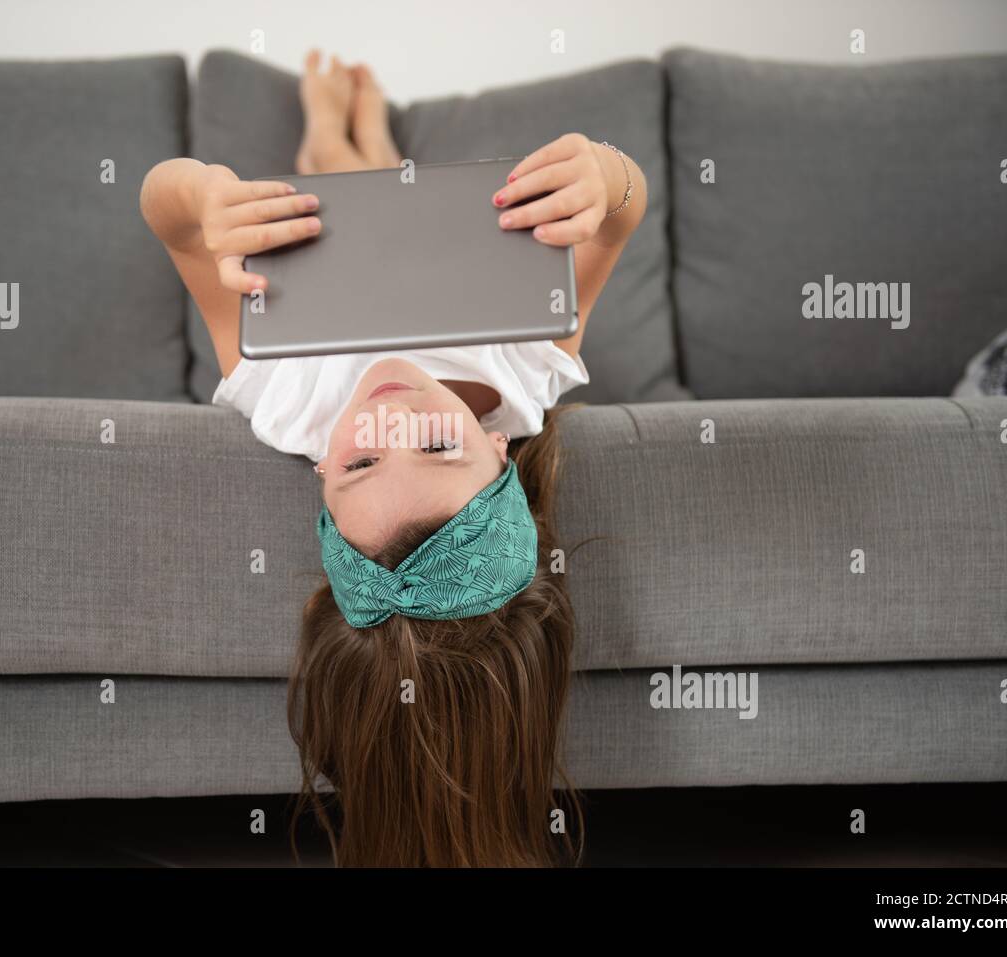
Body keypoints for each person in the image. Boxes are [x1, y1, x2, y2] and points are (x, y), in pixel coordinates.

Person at [140, 50, 648, 866]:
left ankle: (329, 138)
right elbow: (623, 217)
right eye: (439, 445)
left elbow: (164, 215)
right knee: (380, 192)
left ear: (318, 476)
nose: (390, 414)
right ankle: (359, 140)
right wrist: (607, 179)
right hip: (432, 239)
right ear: (498, 448)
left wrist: (198, 200)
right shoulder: (522, 365)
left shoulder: (286, 395)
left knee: (348, 201)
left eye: (360, 465)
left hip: (335, 241)